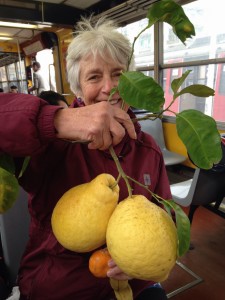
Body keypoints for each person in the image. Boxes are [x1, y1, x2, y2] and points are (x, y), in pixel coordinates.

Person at [0, 16, 171, 300]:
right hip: (60, 285)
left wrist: (140, 262)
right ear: (77, 88)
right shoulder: (52, 145)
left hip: (133, 285)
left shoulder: (148, 149)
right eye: (94, 76)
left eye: (119, 74)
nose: (109, 87)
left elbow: (166, 218)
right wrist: (55, 122)